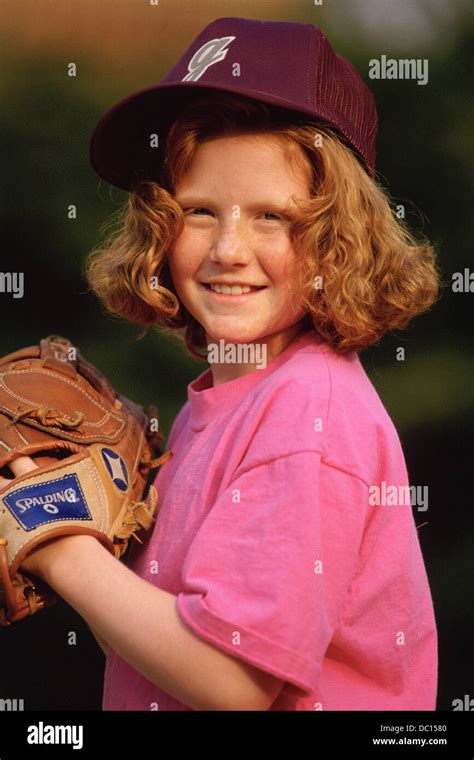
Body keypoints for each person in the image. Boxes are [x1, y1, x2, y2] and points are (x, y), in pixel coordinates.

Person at [0, 18, 440, 710]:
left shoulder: (308, 419)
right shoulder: (223, 404)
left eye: (272, 216)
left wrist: (60, 545)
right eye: (199, 210)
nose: (229, 248)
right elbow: (155, 648)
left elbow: (231, 681)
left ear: (340, 239)